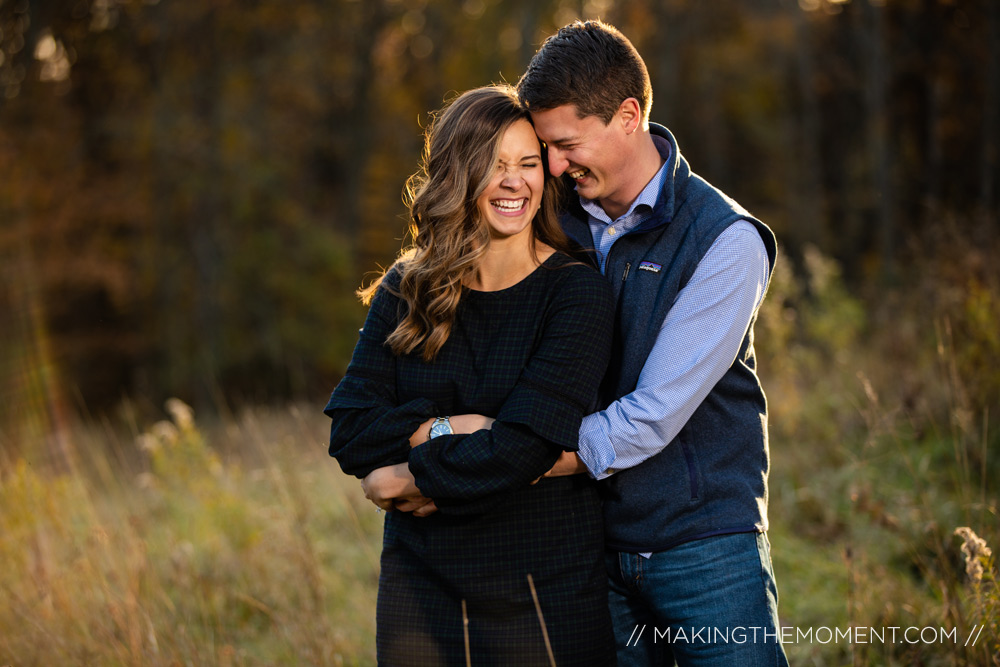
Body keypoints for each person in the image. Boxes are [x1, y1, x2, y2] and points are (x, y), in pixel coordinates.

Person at [516, 20, 788, 667]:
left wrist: (509, 457)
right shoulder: (552, 217)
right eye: (544, 147)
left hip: (704, 548)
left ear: (628, 116)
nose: (553, 165)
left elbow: (652, 412)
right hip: (588, 546)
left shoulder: (725, 240)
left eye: (565, 144)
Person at [323, 84, 616, 666]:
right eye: (494, 165)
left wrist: (409, 477)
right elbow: (351, 430)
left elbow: (522, 450)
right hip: (420, 593)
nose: (515, 182)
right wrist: (453, 427)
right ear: (459, 177)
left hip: (543, 588)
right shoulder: (407, 287)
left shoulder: (576, 293)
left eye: (528, 164)